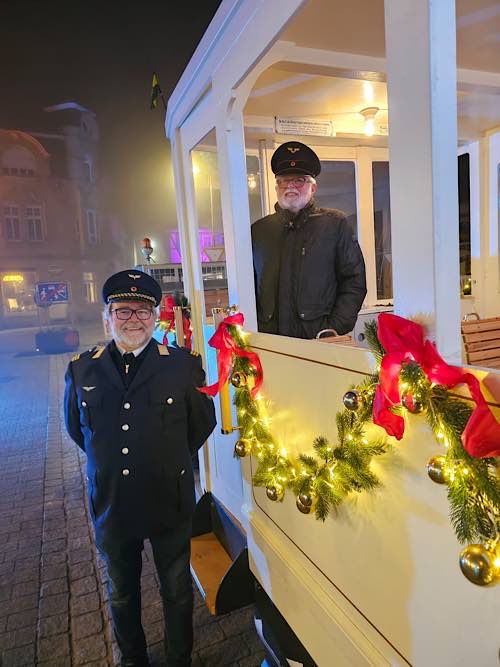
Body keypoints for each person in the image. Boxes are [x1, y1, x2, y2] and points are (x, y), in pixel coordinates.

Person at [64, 269, 216, 667]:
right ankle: (133, 659)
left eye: (143, 311)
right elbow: (77, 430)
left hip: (169, 498)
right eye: (123, 310)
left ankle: (179, 659)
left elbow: (202, 423)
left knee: (177, 589)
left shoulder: (182, 367)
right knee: (122, 592)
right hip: (113, 503)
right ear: (106, 317)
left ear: (156, 316)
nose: (134, 319)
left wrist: (166, 460)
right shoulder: (83, 370)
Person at [251, 141, 367, 339]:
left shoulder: (334, 225)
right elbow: (251, 286)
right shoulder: (259, 231)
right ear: (277, 186)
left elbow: (354, 280)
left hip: (319, 343)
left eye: (299, 180)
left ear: (313, 188)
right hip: (271, 344)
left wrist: (334, 328)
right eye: (284, 180)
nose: (290, 186)